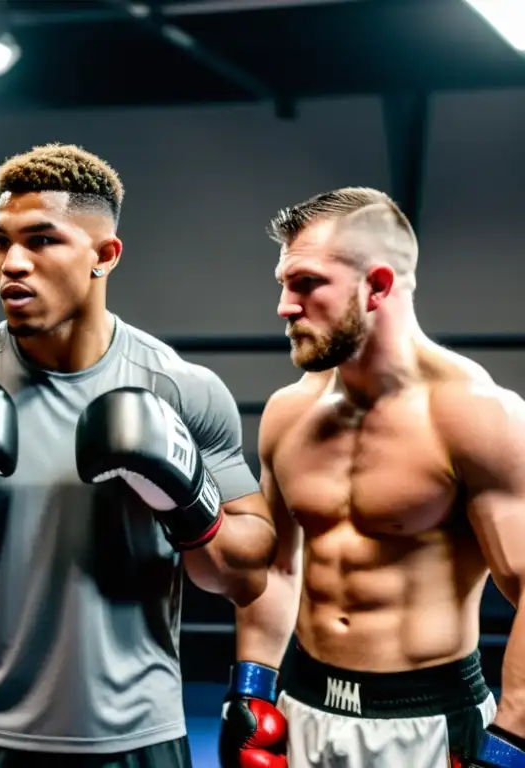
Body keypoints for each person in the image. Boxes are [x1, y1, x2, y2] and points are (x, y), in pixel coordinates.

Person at [0, 142, 278, 767]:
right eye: (0, 242)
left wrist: (189, 498)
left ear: (105, 255)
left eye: (42, 241)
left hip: (136, 738)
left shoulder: (180, 388)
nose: (11, 264)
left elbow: (244, 576)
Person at [218, 187, 525, 768]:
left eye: (306, 283)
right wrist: (251, 690)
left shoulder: (477, 416)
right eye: (283, 283)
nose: (285, 306)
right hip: (304, 706)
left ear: (378, 285)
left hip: (428, 725)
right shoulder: (288, 414)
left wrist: (512, 739)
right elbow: (280, 567)